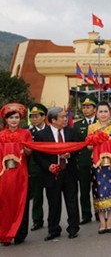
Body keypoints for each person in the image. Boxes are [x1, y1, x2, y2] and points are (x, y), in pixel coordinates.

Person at [34, 107, 80, 241]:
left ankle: (73, 228)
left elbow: (78, 148)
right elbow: (38, 155)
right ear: (53, 120)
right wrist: (48, 166)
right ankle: (53, 229)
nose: (66, 119)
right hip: (52, 173)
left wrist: (70, 154)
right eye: (62, 117)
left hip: (69, 171)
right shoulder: (42, 135)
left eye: (66, 116)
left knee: (72, 201)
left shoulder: (71, 132)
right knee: (54, 202)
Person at [0, 103, 32, 246]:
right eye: (11, 117)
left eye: (16, 117)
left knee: (21, 202)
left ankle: (20, 233)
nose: (14, 120)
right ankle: (5, 234)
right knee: (5, 203)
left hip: (20, 173)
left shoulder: (25, 133)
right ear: (6, 120)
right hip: (4, 174)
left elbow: (30, 152)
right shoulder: (1, 135)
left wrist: (24, 148)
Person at [88, 102, 111, 234]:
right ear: (96, 113)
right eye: (100, 112)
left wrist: (107, 142)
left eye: (105, 111)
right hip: (97, 164)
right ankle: (102, 222)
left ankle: (110, 221)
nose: (103, 114)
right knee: (98, 190)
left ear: (110, 112)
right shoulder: (92, 127)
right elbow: (89, 146)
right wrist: (97, 141)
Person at [73, 95, 98, 225]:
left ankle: (99, 213)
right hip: (83, 162)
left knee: (98, 188)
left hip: (98, 161)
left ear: (95, 109)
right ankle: (86, 214)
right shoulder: (77, 126)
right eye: (84, 107)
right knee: (84, 190)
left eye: (88, 107)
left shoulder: (101, 123)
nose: (85, 109)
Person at [28, 103, 48, 232]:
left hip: (50, 167)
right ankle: (37, 220)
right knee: (37, 196)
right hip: (35, 168)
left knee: (53, 196)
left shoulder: (51, 130)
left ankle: (53, 220)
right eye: (32, 116)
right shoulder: (27, 132)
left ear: (43, 117)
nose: (34, 119)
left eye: (36, 116)